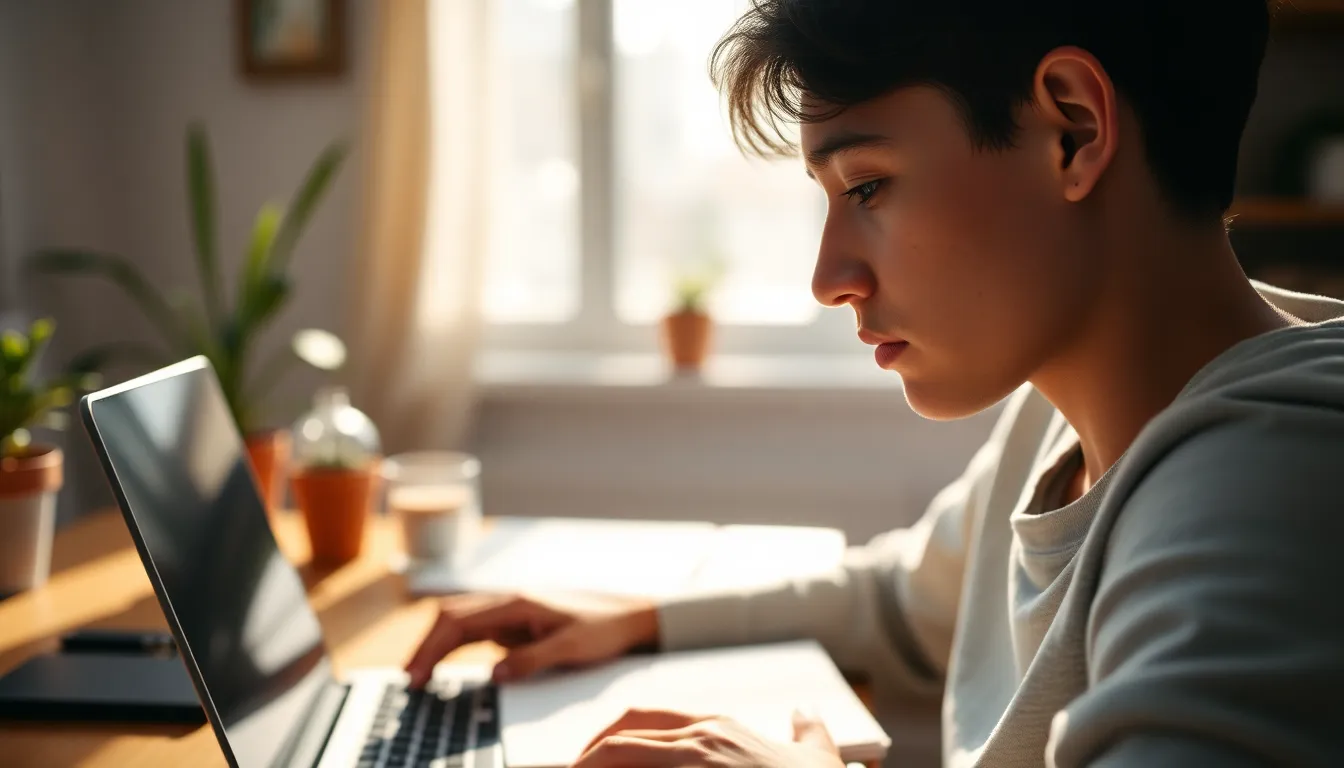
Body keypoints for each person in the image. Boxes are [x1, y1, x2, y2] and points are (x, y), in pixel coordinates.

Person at [407, 1, 1344, 765]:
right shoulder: (1057, 416)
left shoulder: (1266, 482)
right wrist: (637, 621)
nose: (828, 278)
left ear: (1073, 129)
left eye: (866, 187)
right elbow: (901, 602)